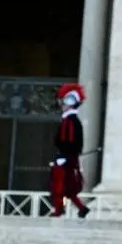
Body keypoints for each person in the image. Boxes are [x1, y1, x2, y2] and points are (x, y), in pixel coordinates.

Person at [48, 83, 90, 218]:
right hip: (68, 157)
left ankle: (59, 210)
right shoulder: (70, 120)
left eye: (64, 102)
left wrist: (63, 156)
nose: (62, 105)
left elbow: (68, 140)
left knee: (59, 186)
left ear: (71, 102)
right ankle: (81, 208)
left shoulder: (70, 121)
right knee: (68, 188)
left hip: (66, 158)